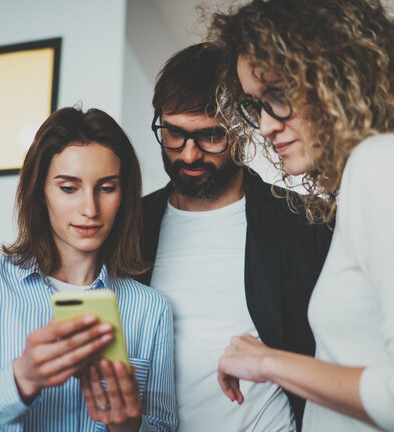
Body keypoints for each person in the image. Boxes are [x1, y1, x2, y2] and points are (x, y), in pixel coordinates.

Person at [210, 0, 394, 431]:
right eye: (257, 104)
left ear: (338, 80)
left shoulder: (387, 164)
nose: (266, 125)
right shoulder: (380, 169)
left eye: (278, 96)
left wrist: (268, 362)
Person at [0, 106, 176, 431]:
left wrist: (131, 427)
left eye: (107, 188)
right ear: (41, 192)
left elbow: (164, 426)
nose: (89, 209)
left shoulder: (151, 309)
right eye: (69, 188)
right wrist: (19, 380)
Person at [137, 42, 332, 431]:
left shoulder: (306, 223)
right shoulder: (131, 225)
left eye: (210, 136)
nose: (189, 154)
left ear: (243, 127)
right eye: (174, 134)